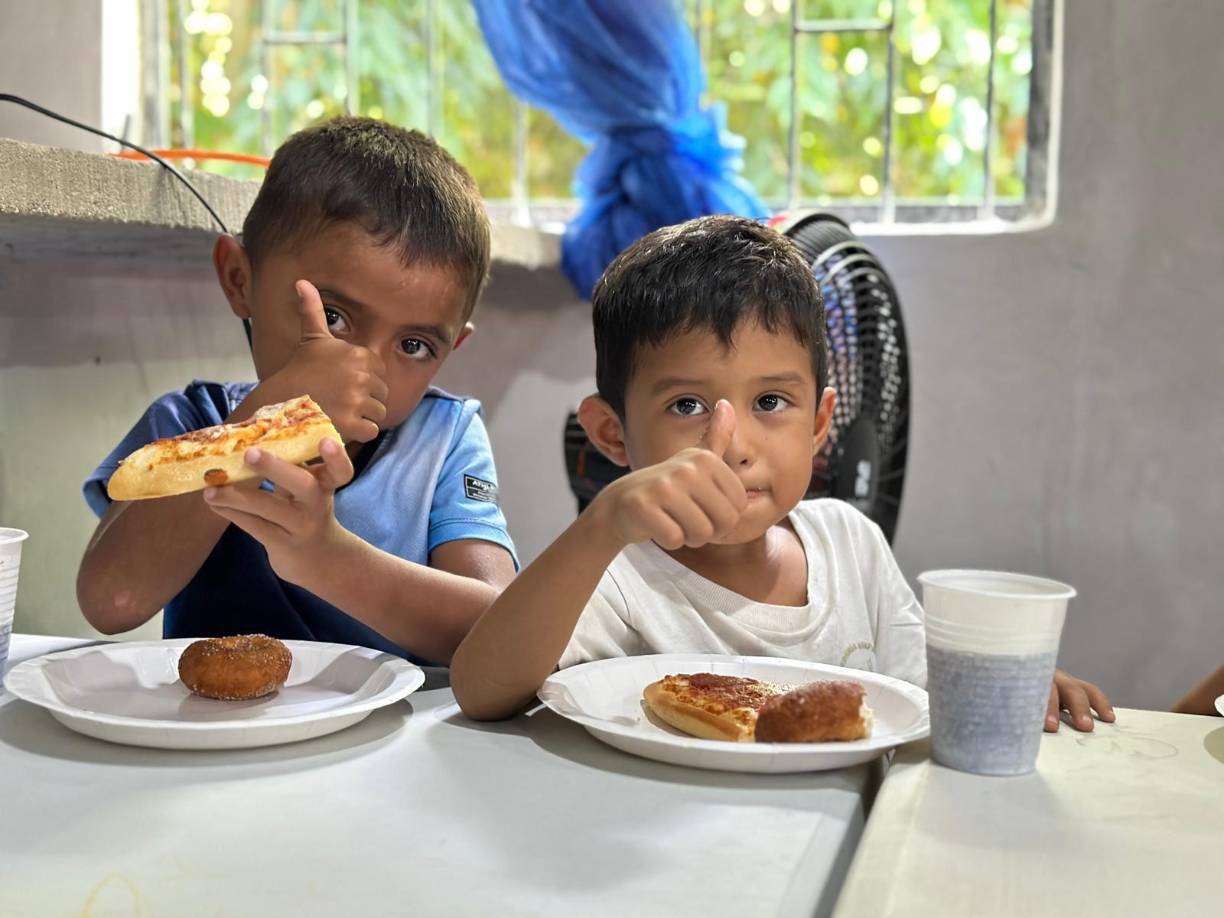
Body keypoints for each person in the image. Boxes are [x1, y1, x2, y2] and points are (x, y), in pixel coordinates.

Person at [451, 214, 1113, 730]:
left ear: (822, 422)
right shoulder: (619, 576)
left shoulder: (849, 543)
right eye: (687, 405)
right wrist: (599, 528)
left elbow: (923, 692)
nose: (730, 444)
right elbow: (481, 692)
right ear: (610, 433)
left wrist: (1010, 684)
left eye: (771, 402)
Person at [76, 117, 516, 665]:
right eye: (333, 317)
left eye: (413, 345)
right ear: (240, 280)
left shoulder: (444, 438)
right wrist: (252, 431)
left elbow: (501, 634)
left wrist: (325, 557)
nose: (363, 369)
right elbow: (111, 600)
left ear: (449, 351)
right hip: (218, 739)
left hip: (396, 740)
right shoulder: (191, 423)